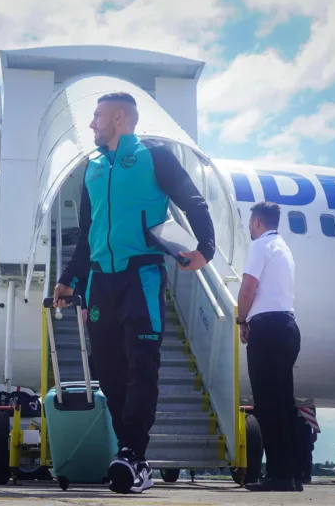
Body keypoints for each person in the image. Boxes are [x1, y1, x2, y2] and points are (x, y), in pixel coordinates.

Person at [53, 92, 215, 494]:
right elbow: (89, 234)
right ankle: (130, 452)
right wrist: (69, 278)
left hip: (140, 277)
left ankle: (132, 454)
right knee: (109, 372)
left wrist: (205, 249)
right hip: (99, 282)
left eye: (97, 116)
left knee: (142, 365)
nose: (91, 124)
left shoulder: (153, 156)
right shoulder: (91, 167)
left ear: (119, 117)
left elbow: (192, 201)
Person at [236, 201, 302, 492]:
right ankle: (292, 474)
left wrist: (241, 320)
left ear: (258, 223)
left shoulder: (260, 247)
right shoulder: (284, 249)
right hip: (287, 327)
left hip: (268, 330)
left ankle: (277, 475)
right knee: (285, 405)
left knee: (268, 405)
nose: (250, 227)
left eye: (251, 222)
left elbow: (248, 286)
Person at [296, 404, 320, 484]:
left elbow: (313, 415)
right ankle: (298, 475)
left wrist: (315, 431)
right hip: (295, 426)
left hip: (306, 427)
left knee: (307, 453)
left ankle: (306, 475)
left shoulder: (309, 403)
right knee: (296, 453)